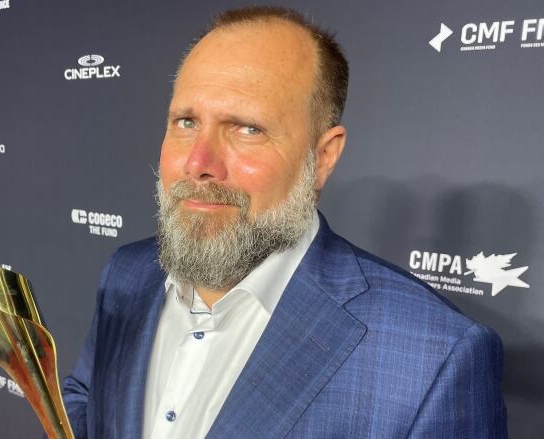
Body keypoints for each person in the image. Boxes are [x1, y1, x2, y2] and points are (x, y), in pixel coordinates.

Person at [61, 6, 507, 438]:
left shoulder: (434, 357)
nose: (199, 162)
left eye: (247, 129)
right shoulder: (126, 273)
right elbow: (85, 403)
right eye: (186, 121)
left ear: (323, 156)